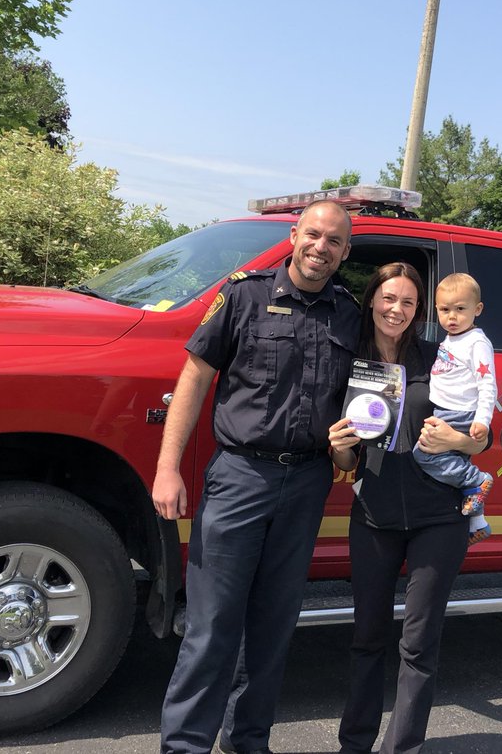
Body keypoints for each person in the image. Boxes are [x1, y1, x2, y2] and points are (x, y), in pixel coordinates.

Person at [153, 200, 360, 754]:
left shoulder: (348, 313)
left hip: (308, 482)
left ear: (346, 251)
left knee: (273, 627)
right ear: (295, 235)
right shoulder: (244, 294)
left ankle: (248, 741)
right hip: (240, 478)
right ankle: (185, 747)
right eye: (313, 235)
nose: (321, 248)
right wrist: (168, 468)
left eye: (334, 241)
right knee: (212, 626)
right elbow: (194, 377)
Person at [328, 262, 488, 754]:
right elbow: (349, 457)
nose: (396, 309)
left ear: (421, 312)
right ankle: (354, 744)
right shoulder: (347, 359)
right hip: (373, 516)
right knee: (367, 638)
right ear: (372, 300)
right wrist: (337, 448)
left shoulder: (439, 358)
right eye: (388, 298)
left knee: (418, 646)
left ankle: (403, 748)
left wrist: (459, 439)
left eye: (409, 302)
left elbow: (479, 441)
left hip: (438, 518)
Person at [413, 272, 497, 545]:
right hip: (448, 410)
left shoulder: (477, 342)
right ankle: (477, 522)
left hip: (458, 413)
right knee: (457, 463)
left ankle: (477, 479)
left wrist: (482, 421)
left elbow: (488, 386)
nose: (452, 317)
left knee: (425, 454)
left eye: (460, 309)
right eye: (445, 310)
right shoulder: (452, 340)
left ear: (478, 309)